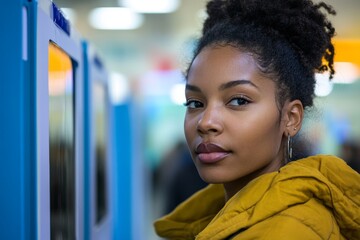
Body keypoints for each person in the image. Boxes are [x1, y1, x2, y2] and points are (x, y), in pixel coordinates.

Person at [154, 0, 360, 239]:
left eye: (238, 101)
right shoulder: (219, 215)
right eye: (195, 103)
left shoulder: (290, 231)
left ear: (290, 118)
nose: (205, 122)